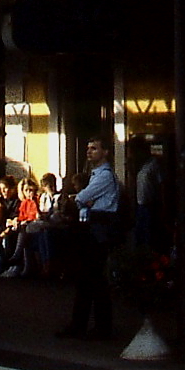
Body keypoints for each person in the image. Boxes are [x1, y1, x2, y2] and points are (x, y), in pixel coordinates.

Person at [56, 136, 120, 340]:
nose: (89, 151)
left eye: (94, 148)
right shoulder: (94, 175)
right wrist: (84, 201)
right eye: (88, 148)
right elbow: (83, 200)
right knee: (87, 279)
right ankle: (84, 324)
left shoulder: (104, 176)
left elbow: (81, 199)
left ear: (106, 152)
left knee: (93, 279)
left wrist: (82, 200)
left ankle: (97, 327)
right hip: (91, 227)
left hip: (98, 229)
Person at [0, 177, 40, 277]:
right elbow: (22, 215)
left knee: (23, 229)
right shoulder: (25, 202)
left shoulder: (36, 200)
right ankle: (18, 265)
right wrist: (16, 220)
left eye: (31, 190)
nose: (29, 193)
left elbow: (35, 215)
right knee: (11, 233)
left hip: (34, 225)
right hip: (24, 226)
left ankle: (17, 255)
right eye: (26, 190)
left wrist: (23, 220)